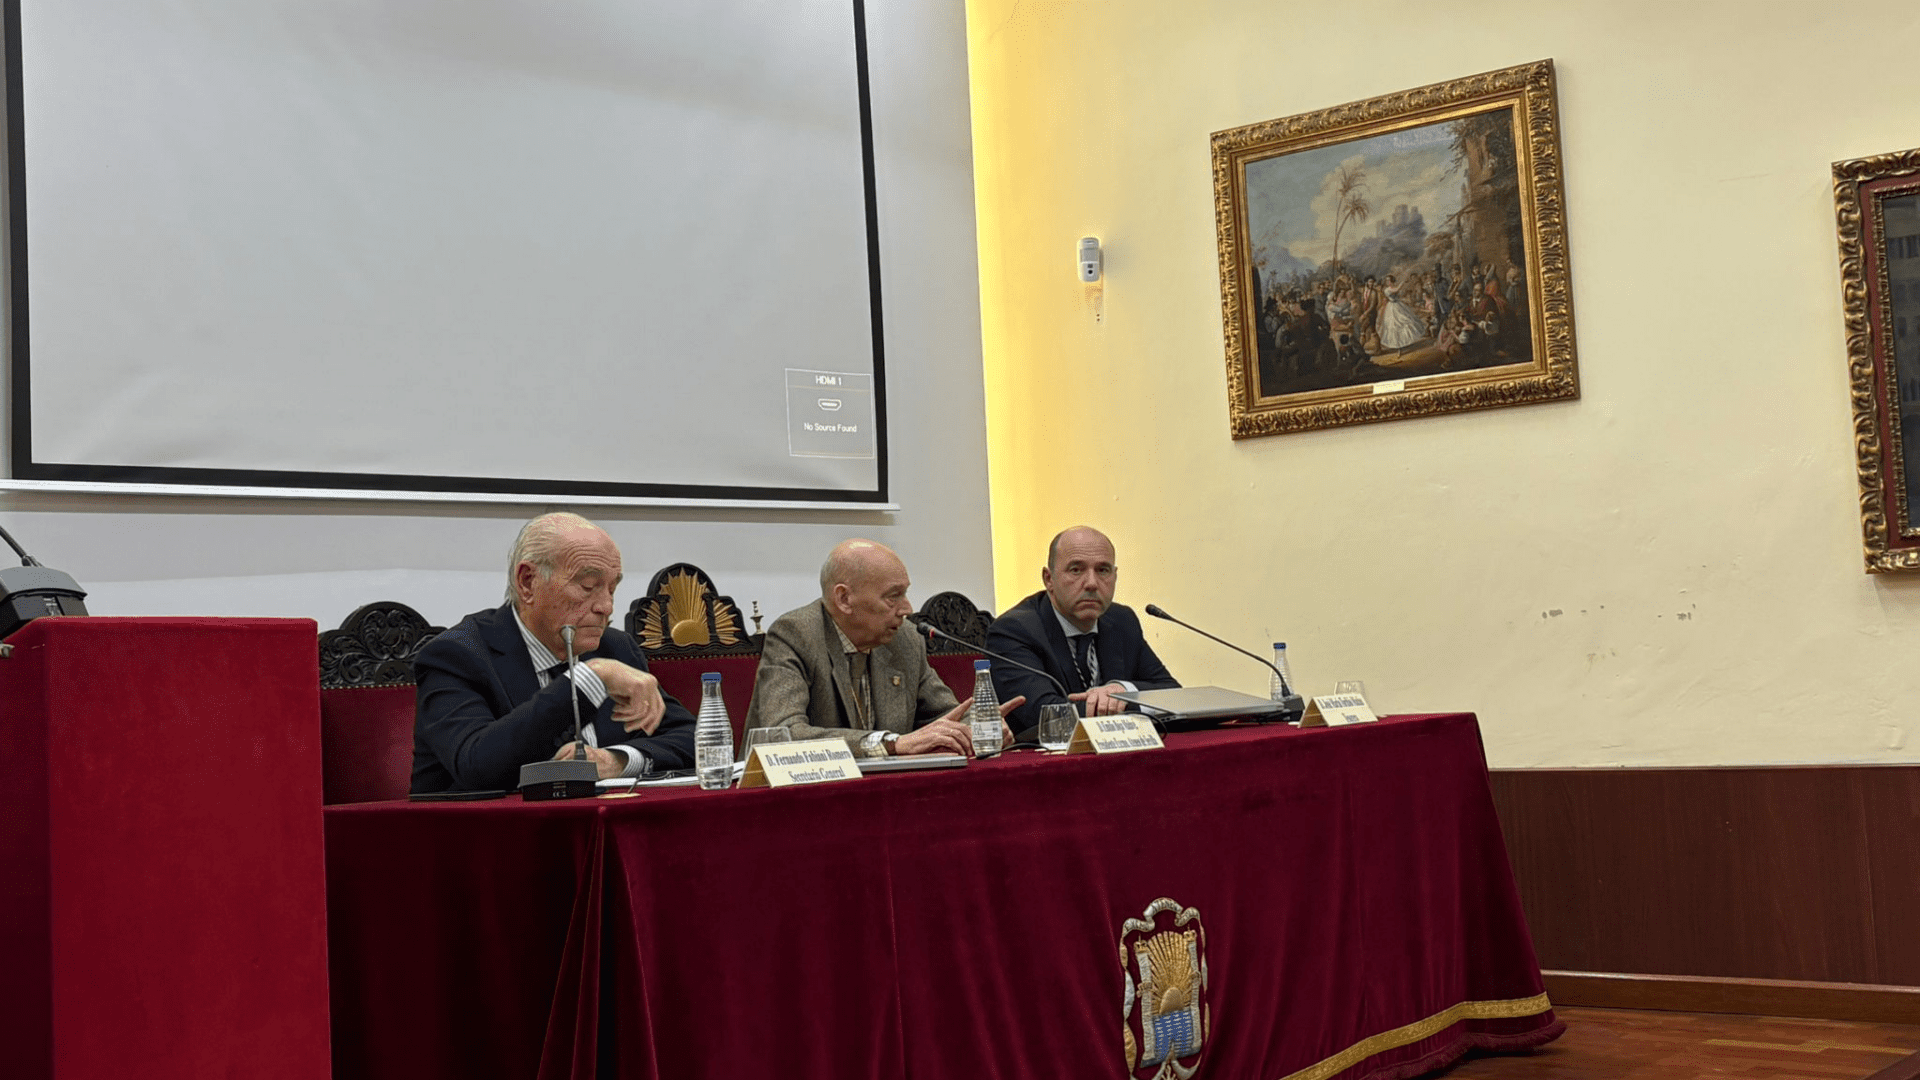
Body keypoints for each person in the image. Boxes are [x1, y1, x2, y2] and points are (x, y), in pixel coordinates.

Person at [411, 512, 695, 793]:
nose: (606, 606)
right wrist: (588, 679)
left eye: (612, 588)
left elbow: (693, 739)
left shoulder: (614, 648)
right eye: (588, 586)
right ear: (527, 582)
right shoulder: (457, 655)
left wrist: (616, 760)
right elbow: (477, 766)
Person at [743, 539, 1022, 757]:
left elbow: (945, 716)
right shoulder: (796, 634)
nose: (908, 609)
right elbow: (782, 735)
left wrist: (979, 727)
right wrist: (890, 744)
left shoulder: (906, 639)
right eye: (893, 596)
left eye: (905, 593)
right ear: (844, 598)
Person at [985, 526, 1179, 738]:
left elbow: (1173, 694)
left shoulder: (1122, 621)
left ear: (1115, 576)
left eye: (1103, 570)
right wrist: (1126, 703)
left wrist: (1122, 690)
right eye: (1076, 570)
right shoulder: (1014, 630)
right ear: (1049, 579)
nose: (1092, 583)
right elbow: (1048, 717)